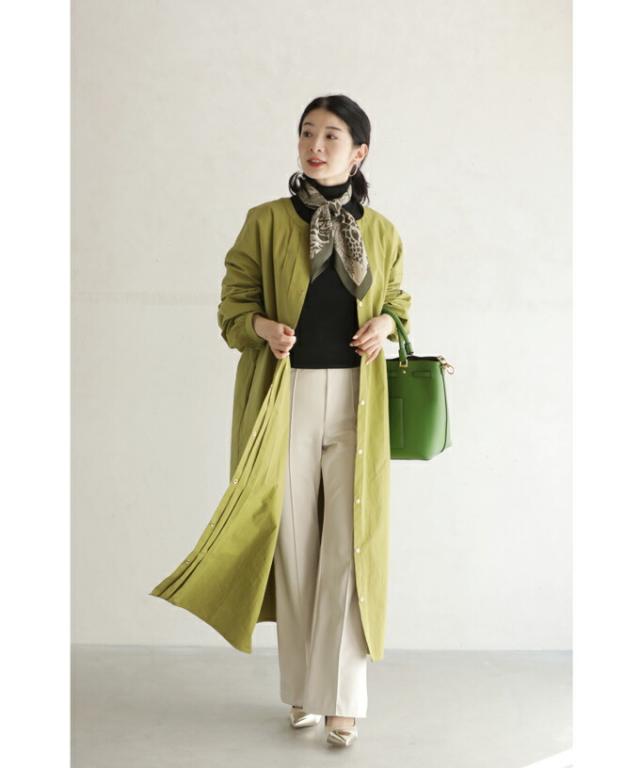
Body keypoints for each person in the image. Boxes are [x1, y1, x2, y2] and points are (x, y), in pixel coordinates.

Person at [242, 94, 410, 747]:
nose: (316, 145)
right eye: (307, 133)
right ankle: (300, 688)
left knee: (348, 546)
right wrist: (263, 327)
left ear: (358, 152)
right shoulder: (265, 222)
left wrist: (384, 324)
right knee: (294, 546)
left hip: (358, 403)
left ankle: (341, 698)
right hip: (286, 395)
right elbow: (233, 306)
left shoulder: (383, 231)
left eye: (331, 136)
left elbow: (398, 303)